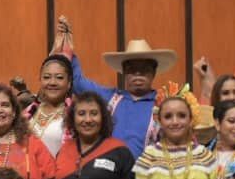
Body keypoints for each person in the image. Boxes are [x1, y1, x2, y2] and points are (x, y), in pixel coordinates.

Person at [53, 17, 172, 156]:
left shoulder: (164, 104)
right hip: (108, 174)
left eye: (144, 69)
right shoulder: (110, 98)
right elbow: (77, 82)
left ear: (153, 72)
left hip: (146, 174)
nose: (138, 74)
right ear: (124, 72)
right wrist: (67, 46)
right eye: (132, 69)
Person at [27, 55, 75, 157]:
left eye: (59, 77)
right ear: (40, 80)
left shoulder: (75, 115)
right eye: (47, 77)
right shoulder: (28, 112)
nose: (52, 82)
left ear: (69, 83)